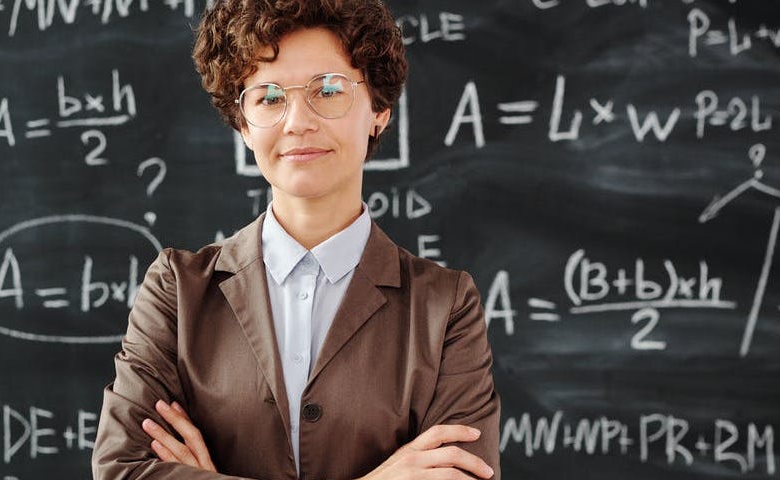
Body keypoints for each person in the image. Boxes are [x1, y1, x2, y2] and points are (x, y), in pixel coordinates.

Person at [91, 1, 500, 479]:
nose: (297, 121)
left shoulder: (445, 306)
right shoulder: (177, 291)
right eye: (268, 97)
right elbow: (122, 470)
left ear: (379, 112)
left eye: (328, 90)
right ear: (242, 123)